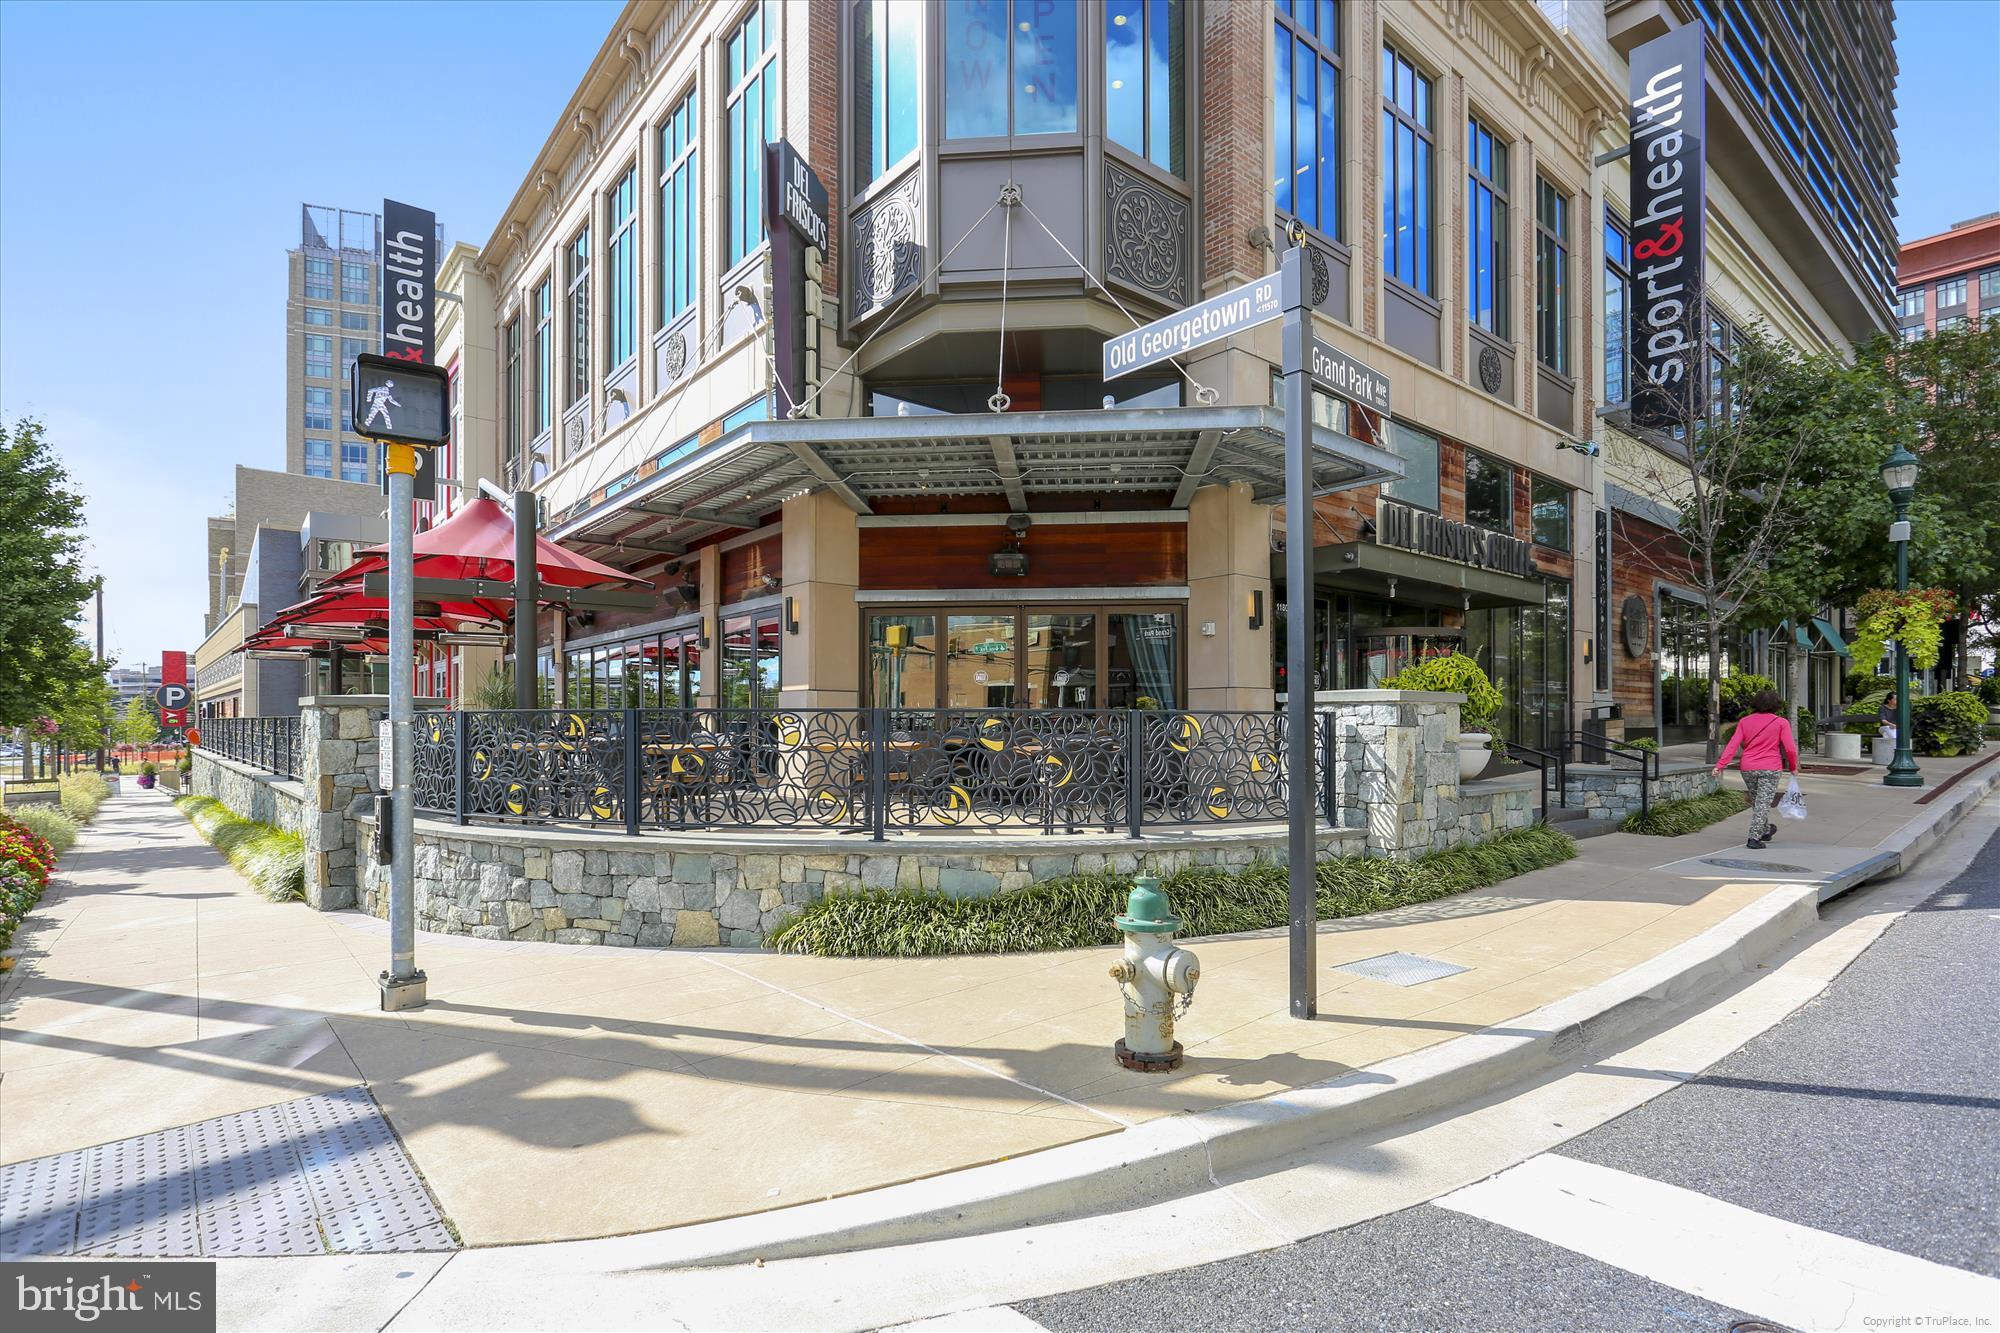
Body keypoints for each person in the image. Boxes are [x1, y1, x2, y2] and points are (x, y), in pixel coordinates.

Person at [1714, 690, 1800, 849]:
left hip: (1748, 768)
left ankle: (1766, 829)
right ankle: (1754, 838)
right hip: (1770, 768)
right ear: (1776, 704)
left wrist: (1720, 765)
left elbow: (1732, 745)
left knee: (1758, 801)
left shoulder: (1745, 721)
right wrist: (1793, 767)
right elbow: (1790, 749)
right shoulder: (1781, 723)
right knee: (1762, 803)